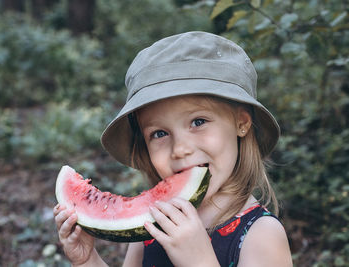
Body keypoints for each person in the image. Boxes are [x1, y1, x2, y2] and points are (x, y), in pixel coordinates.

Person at [53, 31, 292, 267]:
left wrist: (199, 262)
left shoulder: (262, 235)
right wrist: (87, 261)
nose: (180, 149)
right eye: (159, 133)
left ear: (241, 123)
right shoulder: (152, 222)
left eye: (198, 122)